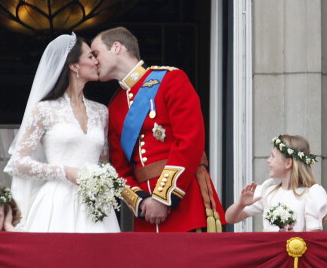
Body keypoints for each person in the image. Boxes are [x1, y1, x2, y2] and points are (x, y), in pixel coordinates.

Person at [91, 26, 226, 232]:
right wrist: (141, 201)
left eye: (96, 53)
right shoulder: (115, 106)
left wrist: (164, 198)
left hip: (186, 206)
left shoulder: (170, 80)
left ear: (116, 47)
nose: (93, 61)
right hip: (146, 217)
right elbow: (119, 169)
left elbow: (190, 141)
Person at [4, 33, 120, 233]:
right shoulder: (44, 110)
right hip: (57, 203)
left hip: (96, 206)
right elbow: (17, 162)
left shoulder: (101, 112)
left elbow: (103, 162)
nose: (96, 62)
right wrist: (65, 172)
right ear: (74, 66)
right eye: (90, 57)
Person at [225, 135, 327, 232]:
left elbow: (314, 236)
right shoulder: (268, 192)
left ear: (288, 163)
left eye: (272, 156)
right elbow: (230, 219)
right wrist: (240, 205)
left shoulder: (311, 195)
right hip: (268, 251)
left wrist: (294, 235)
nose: (268, 160)